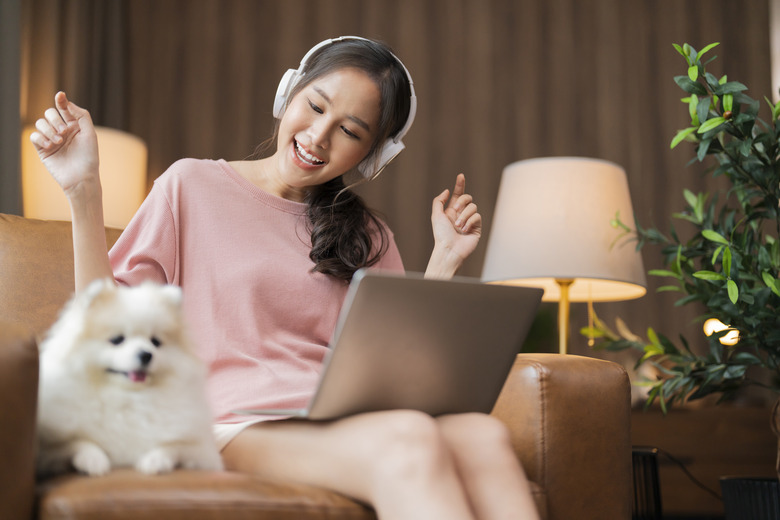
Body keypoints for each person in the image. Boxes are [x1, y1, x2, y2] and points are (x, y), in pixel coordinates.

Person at [30, 36, 540, 520]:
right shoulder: (190, 185)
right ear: (287, 93)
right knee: (409, 439)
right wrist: (84, 189)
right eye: (316, 107)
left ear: (373, 156)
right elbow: (103, 321)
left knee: (481, 435)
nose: (319, 136)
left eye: (351, 131)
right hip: (231, 421)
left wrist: (444, 261)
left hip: (338, 424)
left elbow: (403, 369)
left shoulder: (368, 235)